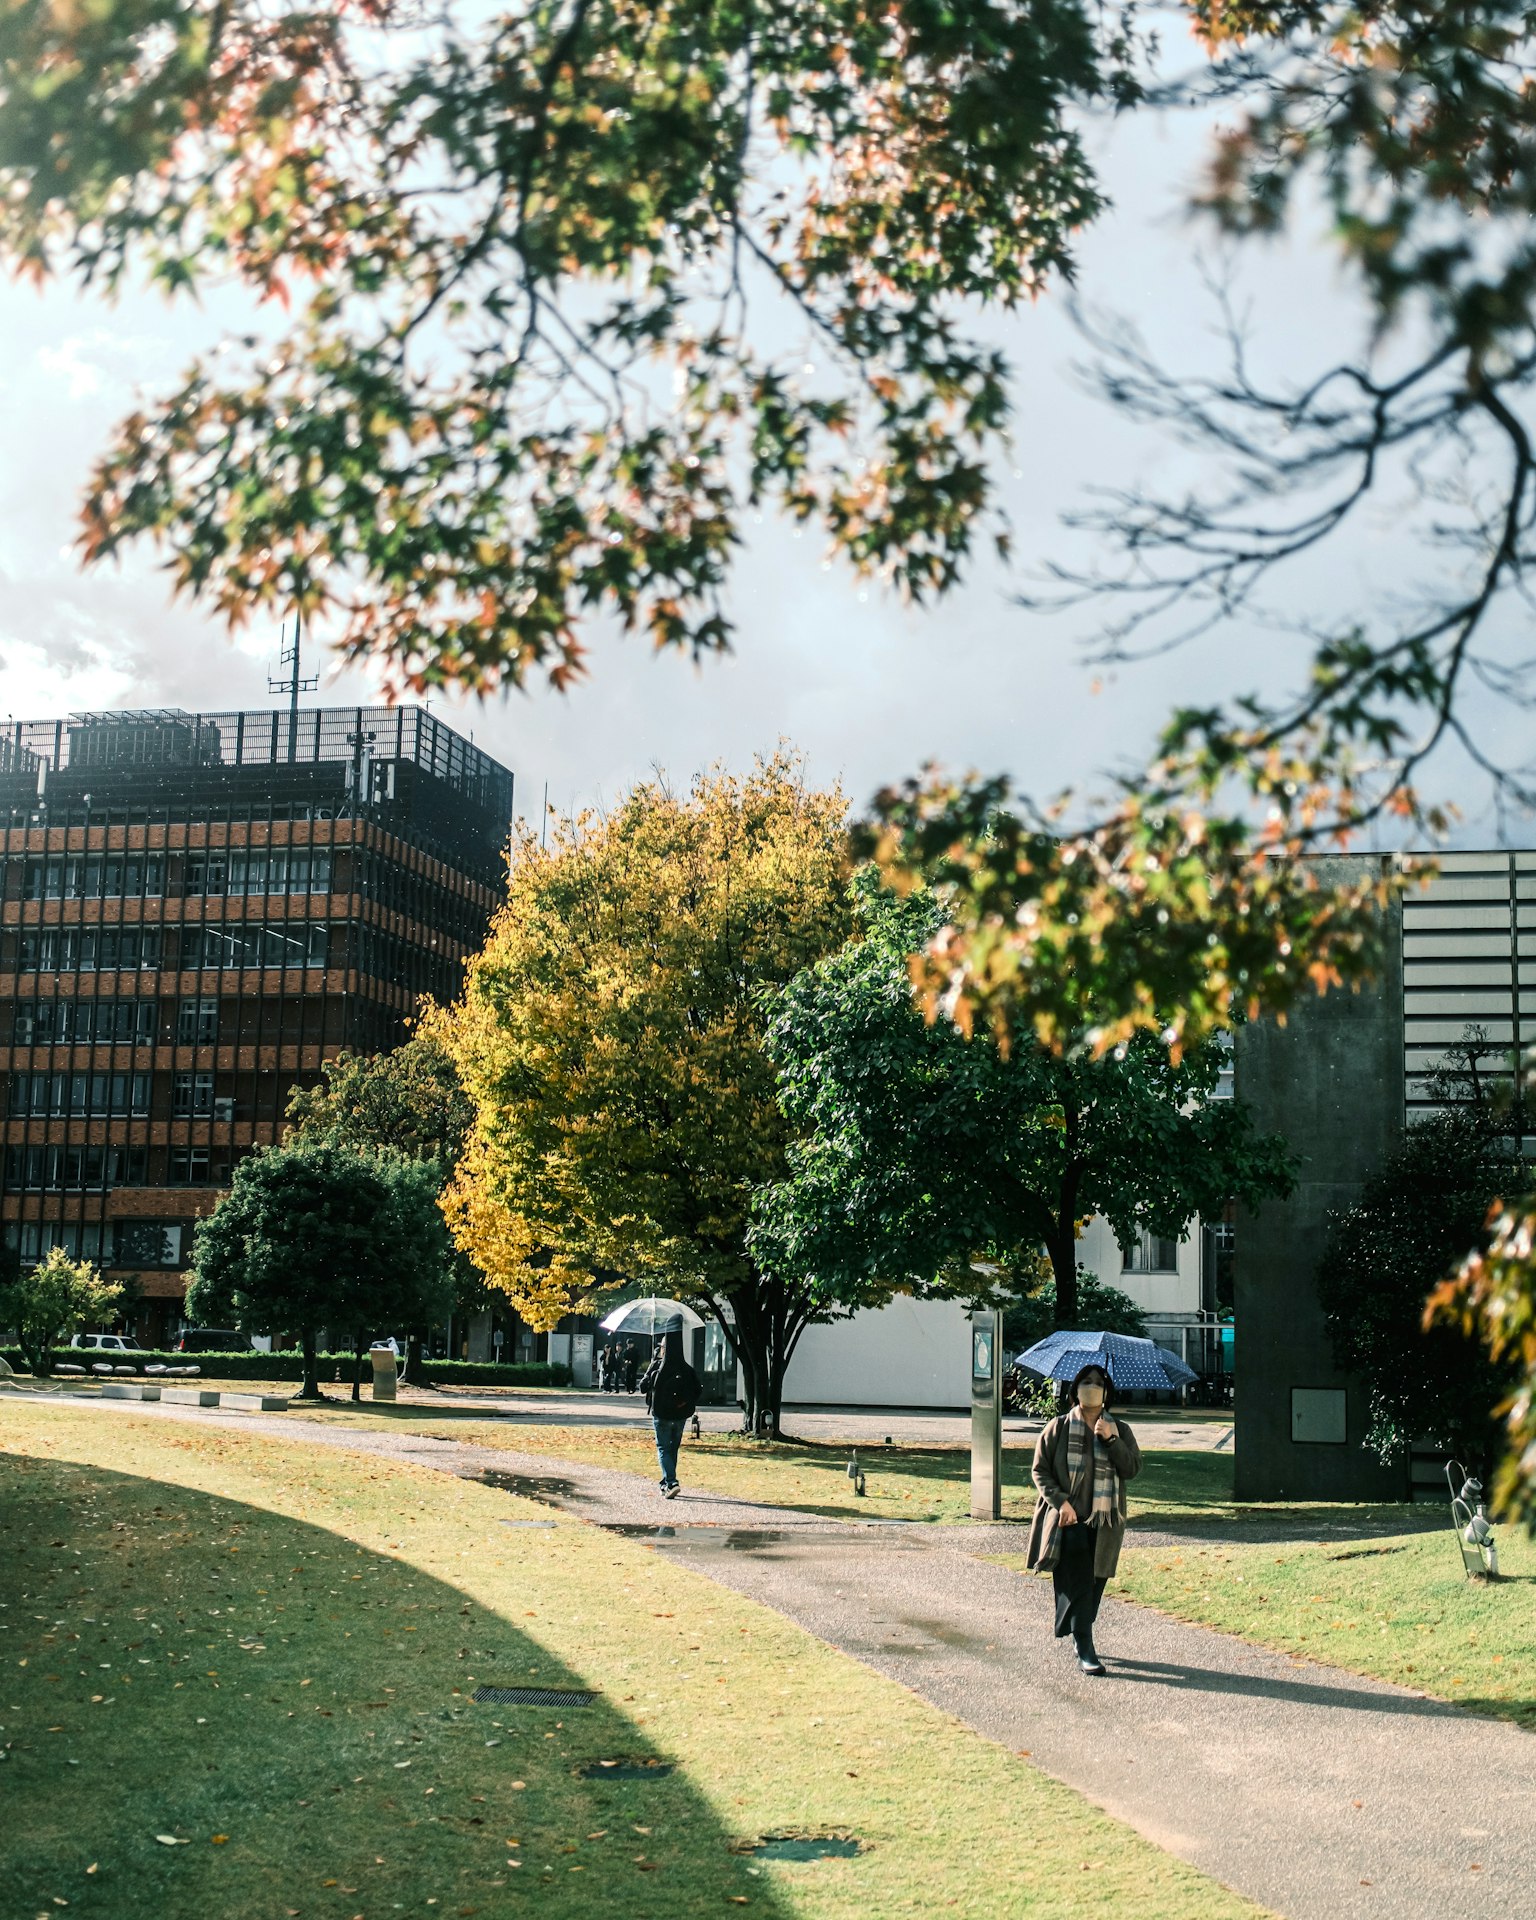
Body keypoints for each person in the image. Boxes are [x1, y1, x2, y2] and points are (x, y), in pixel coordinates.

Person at [1026, 1362, 1142, 1676]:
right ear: (1075, 1389)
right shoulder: (1059, 1426)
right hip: (1068, 1521)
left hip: (1105, 1523)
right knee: (1077, 1581)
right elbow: (1040, 1470)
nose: (1091, 1386)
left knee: (1095, 1583)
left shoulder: (1119, 1429)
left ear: (1107, 1392)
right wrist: (1060, 1503)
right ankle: (1085, 1645)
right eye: (1085, 1381)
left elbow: (1131, 1469)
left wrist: (1111, 1440)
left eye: (1098, 1382)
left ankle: (1080, 1632)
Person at [639, 1327, 700, 1498]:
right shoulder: (686, 1368)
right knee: (673, 1448)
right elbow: (697, 1389)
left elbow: (642, 1387)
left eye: (662, 1346)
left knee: (663, 1448)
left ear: (664, 1348)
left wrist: (652, 1364)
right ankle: (666, 1482)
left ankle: (671, 1482)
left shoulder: (658, 1366)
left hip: (661, 1414)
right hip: (680, 1415)